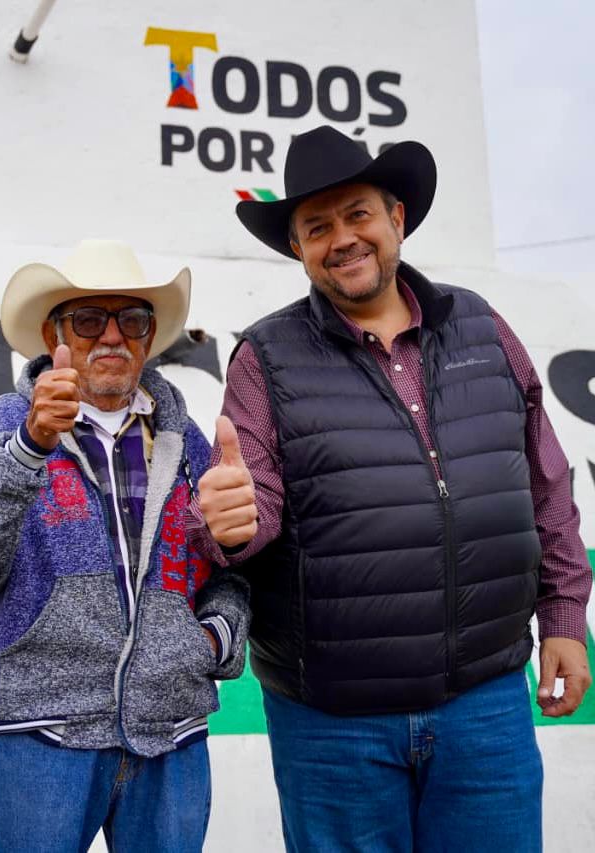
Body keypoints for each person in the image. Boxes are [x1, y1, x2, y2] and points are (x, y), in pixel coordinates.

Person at [194, 125, 592, 851]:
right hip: (332, 725)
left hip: (487, 707)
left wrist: (564, 615)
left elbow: (546, 485)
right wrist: (228, 522)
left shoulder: (482, 326)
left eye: (358, 215)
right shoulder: (264, 358)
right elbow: (251, 513)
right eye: (317, 227)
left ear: (396, 219)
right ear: (297, 248)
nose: (342, 238)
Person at [0, 239, 250, 853]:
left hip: (170, 735)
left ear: (150, 338)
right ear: (53, 335)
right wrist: (28, 447)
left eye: (132, 320)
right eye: (89, 320)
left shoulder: (189, 446)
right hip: (36, 736)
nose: (112, 337)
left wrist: (210, 641)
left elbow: (226, 575)